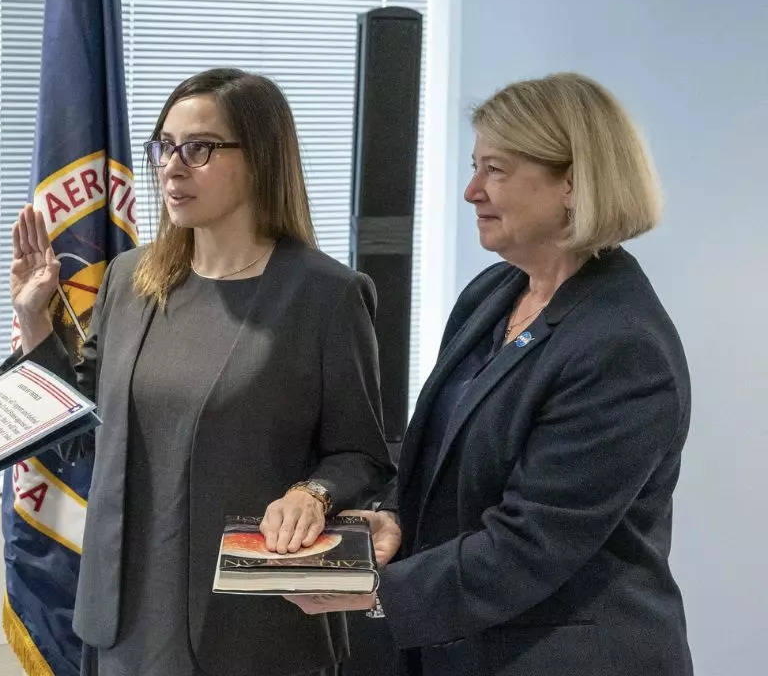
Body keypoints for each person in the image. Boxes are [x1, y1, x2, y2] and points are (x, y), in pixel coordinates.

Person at [290, 73, 693, 676]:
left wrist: (376, 591)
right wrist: (395, 517)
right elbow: (444, 452)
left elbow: (533, 542)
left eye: (496, 170)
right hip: (465, 645)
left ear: (574, 183)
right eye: (475, 166)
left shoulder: (622, 346)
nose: (471, 190)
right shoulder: (494, 293)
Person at [5, 67, 396, 675]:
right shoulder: (130, 280)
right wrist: (34, 319)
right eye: (164, 147)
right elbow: (82, 425)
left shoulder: (325, 295)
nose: (172, 167)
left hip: (251, 624)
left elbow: (362, 455)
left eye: (200, 149)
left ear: (261, 159)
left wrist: (311, 493)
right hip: (122, 620)